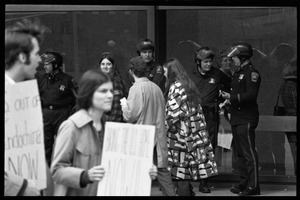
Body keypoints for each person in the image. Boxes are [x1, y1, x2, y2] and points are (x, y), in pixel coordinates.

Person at [50, 69, 158, 196]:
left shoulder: (110, 129)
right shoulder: (71, 126)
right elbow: (56, 171)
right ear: (89, 94)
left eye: (111, 91)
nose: (110, 95)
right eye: (103, 91)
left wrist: (144, 171)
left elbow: (118, 168)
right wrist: (85, 175)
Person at [5, 18, 53, 196]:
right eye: (36, 54)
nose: (39, 60)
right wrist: (25, 189)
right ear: (22, 57)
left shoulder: (21, 96)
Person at [121, 56, 176, 196]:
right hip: (158, 136)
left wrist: (123, 106)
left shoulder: (136, 89)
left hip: (142, 138)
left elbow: (130, 115)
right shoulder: (156, 87)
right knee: (162, 172)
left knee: (138, 174)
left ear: (131, 71)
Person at [164, 58, 218, 196]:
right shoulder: (188, 84)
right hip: (191, 134)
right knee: (185, 171)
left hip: (179, 136)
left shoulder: (175, 86)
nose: (164, 74)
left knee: (179, 172)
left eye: (165, 70)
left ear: (171, 71)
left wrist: (162, 128)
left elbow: (172, 113)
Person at [221, 42, 261, 196]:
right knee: (240, 154)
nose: (233, 60)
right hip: (237, 117)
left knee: (249, 154)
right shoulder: (238, 72)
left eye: (235, 57)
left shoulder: (252, 73)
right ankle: (243, 184)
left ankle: (253, 186)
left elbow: (251, 95)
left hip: (246, 117)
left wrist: (231, 97)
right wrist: (228, 100)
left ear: (243, 57)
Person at [194, 46, 231, 193]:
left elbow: (232, 85)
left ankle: (204, 181)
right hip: (195, 115)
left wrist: (226, 99)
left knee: (209, 148)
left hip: (211, 116)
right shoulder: (191, 75)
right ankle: (188, 180)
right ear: (198, 62)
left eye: (210, 61)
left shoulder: (217, 74)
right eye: (205, 62)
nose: (208, 64)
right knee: (194, 147)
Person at [36, 51, 78, 167]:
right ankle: (46, 175)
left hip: (62, 114)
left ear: (55, 65)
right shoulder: (41, 79)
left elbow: (78, 98)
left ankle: (65, 172)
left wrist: (71, 114)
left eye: (47, 64)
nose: (44, 66)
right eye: (44, 64)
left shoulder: (68, 80)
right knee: (45, 146)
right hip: (46, 115)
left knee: (63, 145)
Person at [97, 52, 128, 122]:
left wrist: (110, 125)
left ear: (113, 66)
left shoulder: (116, 82)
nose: (105, 67)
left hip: (111, 123)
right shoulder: (97, 80)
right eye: (103, 64)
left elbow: (117, 107)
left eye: (108, 64)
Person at [280, 59, 297, 175]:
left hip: (288, 118)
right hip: (294, 118)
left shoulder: (285, 85)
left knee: (293, 148)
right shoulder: (293, 85)